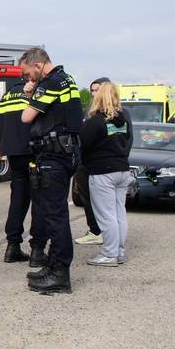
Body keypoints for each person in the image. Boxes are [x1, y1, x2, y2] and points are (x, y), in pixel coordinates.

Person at [18, 47, 84, 293]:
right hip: (62, 152)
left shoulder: (51, 83)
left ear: (37, 65)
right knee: (51, 213)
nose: (27, 79)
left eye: (28, 73)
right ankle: (53, 265)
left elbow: (26, 117)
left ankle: (60, 274)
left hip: (54, 155)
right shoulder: (66, 79)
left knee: (55, 215)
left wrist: (30, 94)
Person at [80, 83, 133, 266]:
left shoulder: (95, 121)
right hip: (122, 169)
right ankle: (119, 251)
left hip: (103, 171)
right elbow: (127, 141)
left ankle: (109, 254)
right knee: (119, 213)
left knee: (106, 215)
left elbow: (83, 144)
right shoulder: (123, 120)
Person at [0, 79, 44, 264]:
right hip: (32, 151)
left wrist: (0, 149)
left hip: (13, 152)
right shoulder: (35, 93)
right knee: (39, 200)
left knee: (18, 200)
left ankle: (12, 245)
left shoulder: (6, 96)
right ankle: (37, 250)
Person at [73, 77, 111, 246]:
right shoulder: (89, 109)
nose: (94, 93)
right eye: (92, 90)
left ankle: (104, 232)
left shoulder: (114, 112)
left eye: (97, 90)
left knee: (105, 201)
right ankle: (95, 230)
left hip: (102, 164)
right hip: (84, 163)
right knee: (86, 198)